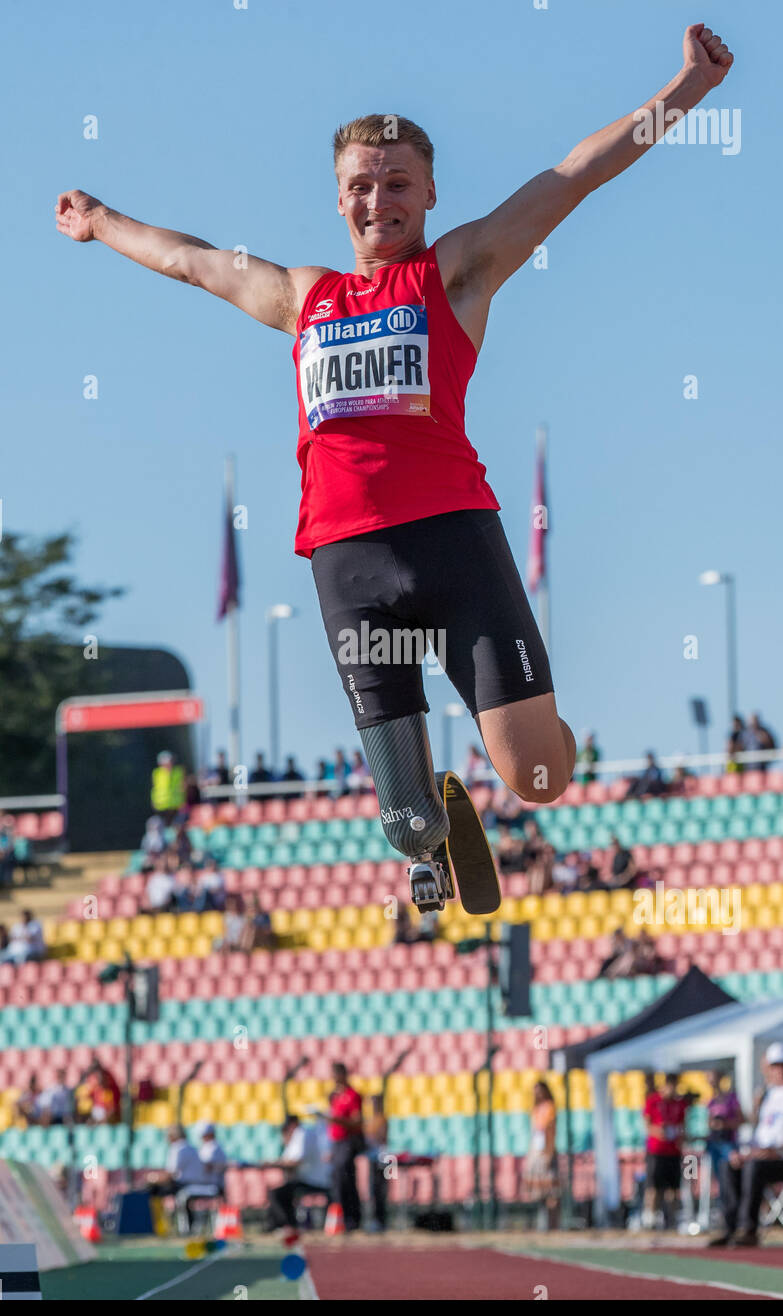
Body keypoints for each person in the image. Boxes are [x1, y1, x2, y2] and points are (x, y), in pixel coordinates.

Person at [56, 23, 733, 844]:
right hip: (349, 562)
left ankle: (551, 727)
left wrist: (686, 89)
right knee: (408, 823)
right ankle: (427, 835)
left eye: (398, 184)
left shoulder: (456, 271)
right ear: (338, 197)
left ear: (429, 194)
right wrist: (100, 220)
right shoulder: (303, 296)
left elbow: (573, 176)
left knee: (539, 778)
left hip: (454, 538)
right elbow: (192, 261)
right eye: (361, 186)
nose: (379, 202)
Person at [709, 1043, 783, 1248]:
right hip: (760, 1154)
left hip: (777, 1158)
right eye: (775, 1066)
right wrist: (743, 1153)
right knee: (728, 1164)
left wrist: (760, 1154)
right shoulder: (768, 1095)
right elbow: (759, 1132)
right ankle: (730, 1227)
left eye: (781, 1066)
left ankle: (748, 1229)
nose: (778, 1071)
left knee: (753, 1167)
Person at [262, 1115, 333, 1232]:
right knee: (280, 1191)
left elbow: (296, 1161)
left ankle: (286, 1224)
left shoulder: (302, 1134)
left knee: (277, 1193)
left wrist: (273, 1163)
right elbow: (290, 1160)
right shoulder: (299, 1136)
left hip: (313, 1181)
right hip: (307, 1179)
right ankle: (284, 1224)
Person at [642, 1073, 693, 1230]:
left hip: (673, 1152)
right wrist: (660, 1132)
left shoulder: (679, 1104)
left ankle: (672, 1220)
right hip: (656, 1151)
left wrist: (680, 1135)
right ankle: (650, 1220)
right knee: (654, 1187)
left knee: (673, 1188)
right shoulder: (653, 1101)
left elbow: (683, 1126)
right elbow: (647, 1125)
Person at [322, 1063, 364, 1232]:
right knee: (338, 1179)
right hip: (337, 1142)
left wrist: (336, 1120)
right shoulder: (335, 1096)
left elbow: (357, 1121)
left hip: (348, 1141)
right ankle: (341, 1218)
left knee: (346, 1179)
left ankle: (352, 1218)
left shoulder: (352, 1095)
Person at [524, 1080, 559, 1229]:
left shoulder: (549, 1108)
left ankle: (553, 1224)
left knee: (550, 1191)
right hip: (536, 1150)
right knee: (538, 1191)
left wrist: (549, 1151)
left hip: (545, 1150)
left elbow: (549, 1131)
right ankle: (543, 1223)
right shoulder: (536, 1109)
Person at [704, 1069, 743, 1170]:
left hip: (728, 1142)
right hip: (714, 1142)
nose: (713, 1084)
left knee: (729, 1175)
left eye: (714, 1081)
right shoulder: (710, 1101)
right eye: (710, 1081)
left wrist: (724, 1124)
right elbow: (707, 1123)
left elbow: (741, 1120)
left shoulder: (731, 1098)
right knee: (717, 1176)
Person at [364, 1094, 390, 1233]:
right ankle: (376, 1220)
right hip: (374, 1158)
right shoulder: (372, 1121)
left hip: (384, 1158)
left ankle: (382, 1220)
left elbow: (381, 1138)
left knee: (382, 1190)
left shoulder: (381, 1120)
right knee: (374, 1189)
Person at [150, 750, 186, 825]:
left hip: (175, 805)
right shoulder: (157, 773)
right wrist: (154, 801)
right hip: (161, 805)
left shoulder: (178, 771)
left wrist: (183, 802)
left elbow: (183, 787)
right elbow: (155, 788)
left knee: (176, 825)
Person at [198, 1122, 229, 1198]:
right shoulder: (206, 1147)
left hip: (213, 1184)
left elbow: (207, 1166)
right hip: (206, 1183)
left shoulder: (215, 1148)